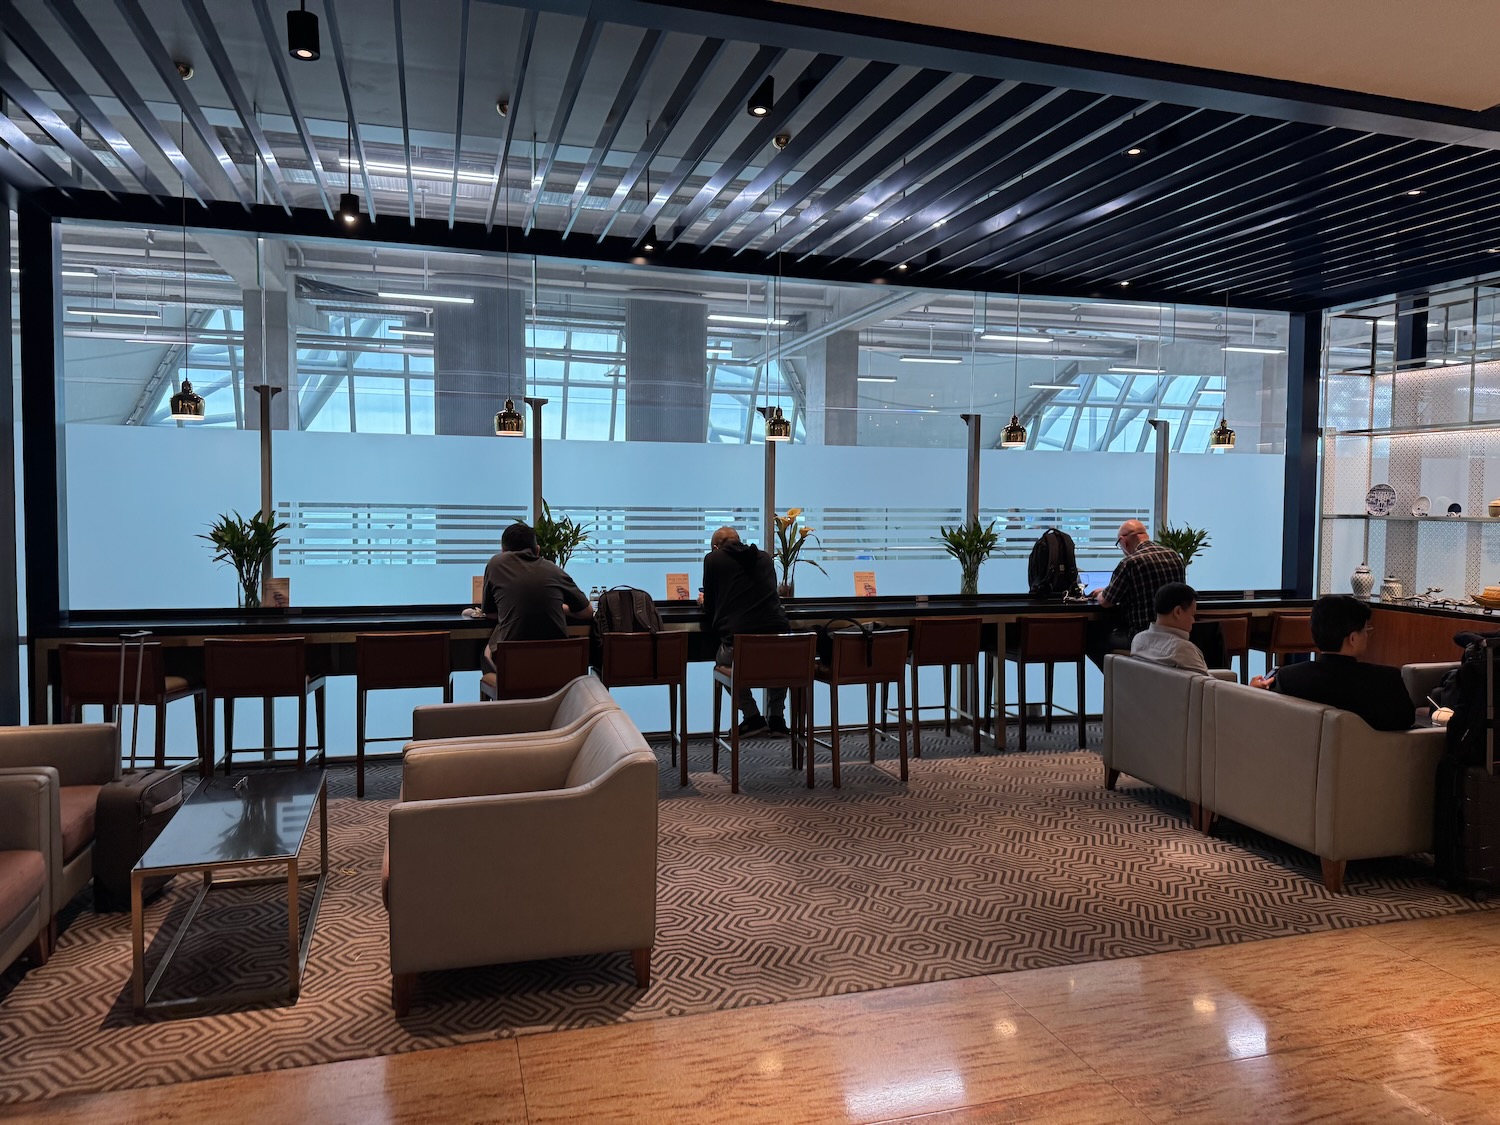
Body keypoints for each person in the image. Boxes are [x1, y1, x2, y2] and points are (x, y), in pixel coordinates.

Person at [1250, 595, 1414, 731]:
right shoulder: (1385, 680)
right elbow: (1405, 721)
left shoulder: (1288, 678)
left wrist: (1254, 693)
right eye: (1365, 630)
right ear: (1352, 638)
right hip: (1371, 764)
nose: (1367, 635)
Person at [701, 525, 789, 736]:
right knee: (781, 664)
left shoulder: (713, 560)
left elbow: (710, 605)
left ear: (716, 547)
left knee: (723, 662)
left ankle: (752, 717)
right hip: (782, 646)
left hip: (741, 648)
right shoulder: (766, 558)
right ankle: (776, 718)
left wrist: (702, 601)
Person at [479, 521, 593, 671]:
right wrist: (560, 609)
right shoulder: (553, 569)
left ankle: (506, 692)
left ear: (503, 550)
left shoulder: (496, 563)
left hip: (515, 665)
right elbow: (587, 612)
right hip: (556, 666)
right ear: (537, 550)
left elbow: (491, 613)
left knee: (485, 654)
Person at [1085, 518, 1185, 668]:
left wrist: (1100, 593)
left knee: (1090, 640)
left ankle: (1121, 680)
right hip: (1173, 639)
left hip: (1141, 637)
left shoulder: (1130, 563)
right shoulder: (1175, 557)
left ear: (1123, 541)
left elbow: (1106, 602)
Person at [1130, 581, 1212, 675]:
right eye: (1192, 614)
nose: (1193, 621)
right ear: (1178, 612)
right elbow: (1205, 686)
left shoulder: (1138, 639)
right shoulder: (1183, 649)